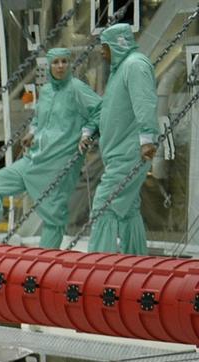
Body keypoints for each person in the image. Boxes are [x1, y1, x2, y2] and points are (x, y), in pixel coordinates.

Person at [0, 47, 101, 248]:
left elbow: (101, 110)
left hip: (59, 163)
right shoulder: (47, 91)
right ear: (49, 66)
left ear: (70, 64)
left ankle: (47, 259)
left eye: (64, 62)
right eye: (56, 62)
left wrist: (86, 133)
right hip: (34, 158)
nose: (60, 66)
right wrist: (32, 132)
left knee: (53, 215)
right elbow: (39, 118)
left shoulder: (77, 89)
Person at [81, 23, 158, 254]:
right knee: (127, 209)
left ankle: (98, 267)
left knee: (104, 207)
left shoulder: (134, 66)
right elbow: (108, 107)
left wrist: (147, 139)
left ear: (117, 44)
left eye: (104, 47)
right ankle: (136, 261)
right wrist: (88, 131)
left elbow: (144, 103)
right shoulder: (121, 70)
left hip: (130, 153)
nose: (102, 53)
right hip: (119, 154)